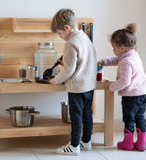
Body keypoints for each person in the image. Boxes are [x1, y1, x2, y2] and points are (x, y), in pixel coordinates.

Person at [49, 8, 97, 155]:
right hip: (89, 85)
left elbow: (69, 70)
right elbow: (83, 62)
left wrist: (55, 80)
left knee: (76, 117)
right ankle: (86, 142)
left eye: (59, 33)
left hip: (77, 87)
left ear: (67, 28)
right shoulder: (84, 37)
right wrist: (66, 66)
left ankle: (74, 146)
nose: (60, 36)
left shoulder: (70, 43)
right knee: (87, 115)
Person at [97, 23, 146, 151]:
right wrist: (104, 61)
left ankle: (128, 143)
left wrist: (110, 87)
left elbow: (124, 82)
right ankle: (142, 143)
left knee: (129, 118)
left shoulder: (126, 61)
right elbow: (116, 60)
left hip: (131, 95)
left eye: (114, 48)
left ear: (122, 49)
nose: (113, 51)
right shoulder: (132, 55)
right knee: (140, 117)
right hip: (143, 92)